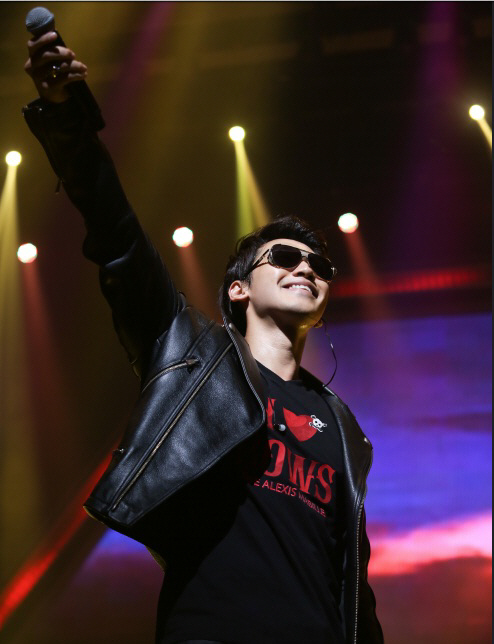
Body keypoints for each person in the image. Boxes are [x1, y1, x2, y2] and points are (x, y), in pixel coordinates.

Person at [23, 30, 384, 644]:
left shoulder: (343, 427)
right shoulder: (190, 353)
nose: (306, 268)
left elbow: (354, 581)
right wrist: (66, 119)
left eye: (320, 266)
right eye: (285, 257)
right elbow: (116, 235)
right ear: (238, 289)